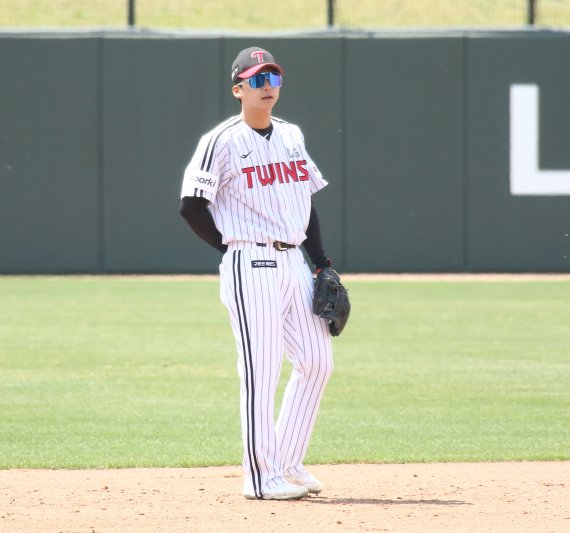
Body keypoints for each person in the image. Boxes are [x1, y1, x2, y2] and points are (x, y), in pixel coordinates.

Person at [179, 46, 338, 500]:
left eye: (273, 78)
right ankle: (259, 478)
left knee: (316, 362)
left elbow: (305, 204)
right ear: (239, 89)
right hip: (251, 263)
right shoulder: (222, 140)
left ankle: (286, 462)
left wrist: (323, 263)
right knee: (261, 371)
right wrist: (231, 248)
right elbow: (190, 206)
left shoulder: (292, 135)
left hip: (294, 262)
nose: (267, 86)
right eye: (257, 80)